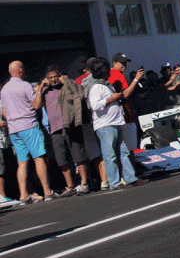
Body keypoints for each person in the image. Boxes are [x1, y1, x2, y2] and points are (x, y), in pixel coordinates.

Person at [86, 57, 147, 190]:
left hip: (116, 122)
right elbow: (95, 105)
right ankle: (114, 183)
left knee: (123, 152)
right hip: (105, 125)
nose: (109, 72)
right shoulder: (96, 87)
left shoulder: (106, 85)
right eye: (107, 69)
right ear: (102, 71)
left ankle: (130, 178)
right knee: (110, 155)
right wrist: (111, 99)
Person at [1, 61, 55, 203]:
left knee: (22, 162)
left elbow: (4, 112)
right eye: (23, 68)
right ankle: (47, 191)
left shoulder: (4, 90)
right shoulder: (24, 85)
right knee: (38, 158)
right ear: (20, 70)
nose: (24, 70)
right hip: (28, 125)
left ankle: (23, 194)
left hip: (14, 129)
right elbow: (37, 105)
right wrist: (38, 90)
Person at [41, 66, 90, 197]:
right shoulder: (45, 90)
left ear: (60, 75)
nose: (53, 80)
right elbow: (36, 105)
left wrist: (66, 82)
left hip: (71, 125)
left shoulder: (68, 84)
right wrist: (40, 87)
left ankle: (84, 183)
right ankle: (70, 186)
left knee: (78, 155)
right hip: (55, 129)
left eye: (55, 76)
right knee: (62, 159)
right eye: (50, 77)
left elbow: (79, 94)